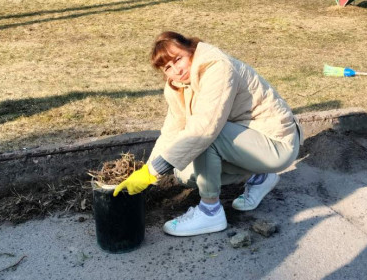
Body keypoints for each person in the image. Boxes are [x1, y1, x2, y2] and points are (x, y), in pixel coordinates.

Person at [113, 31, 302, 237]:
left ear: (191, 49)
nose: (176, 70)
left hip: (276, 141)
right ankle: (260, 176)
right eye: (167, 68)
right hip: (248, 143)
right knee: (183, 173)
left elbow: (204, 128)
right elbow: (171, 133)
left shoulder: (217, 67)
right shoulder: (177, 87)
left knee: (204, 137)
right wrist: (148, 173)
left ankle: (210, 212)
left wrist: (152, 172)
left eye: (178, 59)